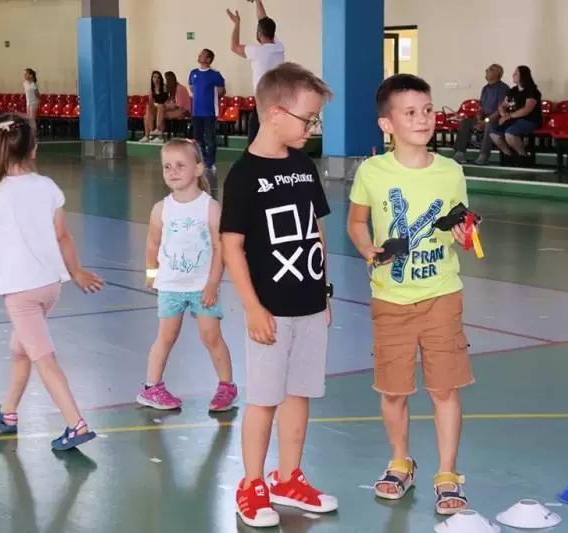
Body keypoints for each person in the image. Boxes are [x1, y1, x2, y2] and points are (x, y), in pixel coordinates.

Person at [347, 73, 475, 516]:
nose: (423, 119)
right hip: (391, 299)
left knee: (445, 388)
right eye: (410, 113)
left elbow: (463, 224)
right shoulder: (372, 172)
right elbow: (356, 223)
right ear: (387, 124)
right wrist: (367, 249)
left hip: (442, 294)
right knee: (394, 389)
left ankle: (448, 472)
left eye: (427, 110)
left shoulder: (451, 172)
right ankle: (400, 461)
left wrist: (465, 235)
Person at [220, 62, 336, 528]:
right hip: (269, 311)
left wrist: (325, 292)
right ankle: (251, 484)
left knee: (300, 393)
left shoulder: (304, 166)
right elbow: (231, 247)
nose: (312, 128)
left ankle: (289, 477)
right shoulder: (243, 176)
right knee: (265, 399)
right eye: (308, 119)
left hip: (309, 306)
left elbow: (317, 230)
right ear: (274, 114)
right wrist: (252, 307)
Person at [0, 113, 105, 451]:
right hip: (50, 286)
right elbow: (63, 235)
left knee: (43, 358)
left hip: (21, 293)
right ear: (33, 148)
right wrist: (76, 271)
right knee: (20, 348)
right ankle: (7, 413)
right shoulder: (47, 186)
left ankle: (76, 424)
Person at [138, 138, 237, 412]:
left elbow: (219, 247)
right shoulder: (161, 208)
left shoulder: (210, 207)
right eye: (167, 166)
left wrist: (212, 283)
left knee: (211, 336)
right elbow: (152, 243)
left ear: (198, 169)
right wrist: (151, 272)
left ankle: (226, 386)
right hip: (170, 286)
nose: (172, 171)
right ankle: (151, 388)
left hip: (202, 287)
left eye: (180, 165)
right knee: (165, 336)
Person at [227, 0, 285, 144]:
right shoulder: (279, 47)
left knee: (255, 141)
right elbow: (263, 20)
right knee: (274, 138)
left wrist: (237, 24)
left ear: (259, 33)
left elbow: (234, 46)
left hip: (263, 104)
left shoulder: (257, 51)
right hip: (279, 101)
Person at [451, 64, 509, 165]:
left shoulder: (503, 88)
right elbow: (481, 108)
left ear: (497, 73)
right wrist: (479, 119)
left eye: (490, 69)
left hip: (497, 120)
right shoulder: (485, 88)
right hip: (484, 118)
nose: (486, 71)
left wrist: (485, 121)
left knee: (489, 125)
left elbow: (500, 110)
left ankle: (484, 156)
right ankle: (460, 153)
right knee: (465, 122)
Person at [489, 65, 543, 161]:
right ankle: (509, 156)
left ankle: (523, 157)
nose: (513, 75)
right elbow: (502, 105)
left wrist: (508, 116)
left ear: (523, 76)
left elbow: (526, 110)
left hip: (529, 120)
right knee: (494, 134)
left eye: (516, 73)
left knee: (510, 134)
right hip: (512, 119)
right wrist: (503, 114)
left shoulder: (532, 91)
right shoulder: (512, 91)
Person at [188, 49, 226, 172]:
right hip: (196, 112)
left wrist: (210, 99)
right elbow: (192, 88)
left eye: (202, 55)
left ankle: (210, 163)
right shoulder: (193, 73)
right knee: (197, 139)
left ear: (208, 59)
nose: (199, 56)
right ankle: (201, 161)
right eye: (199, 54)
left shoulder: (215, 74)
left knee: (210, 139)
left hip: (209, 112)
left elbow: (221, 90)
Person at [22, 68, 40, 135]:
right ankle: (30, 132)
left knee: (32, 119)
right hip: (28, 103)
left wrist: (38, 101)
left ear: (31, 75)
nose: (25, 75)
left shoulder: (33, 84)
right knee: (28, 118)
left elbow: (38, 95)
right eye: (24, 74)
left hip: (34, 103)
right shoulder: (24, 83)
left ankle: (34, 133)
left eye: (26, 74)